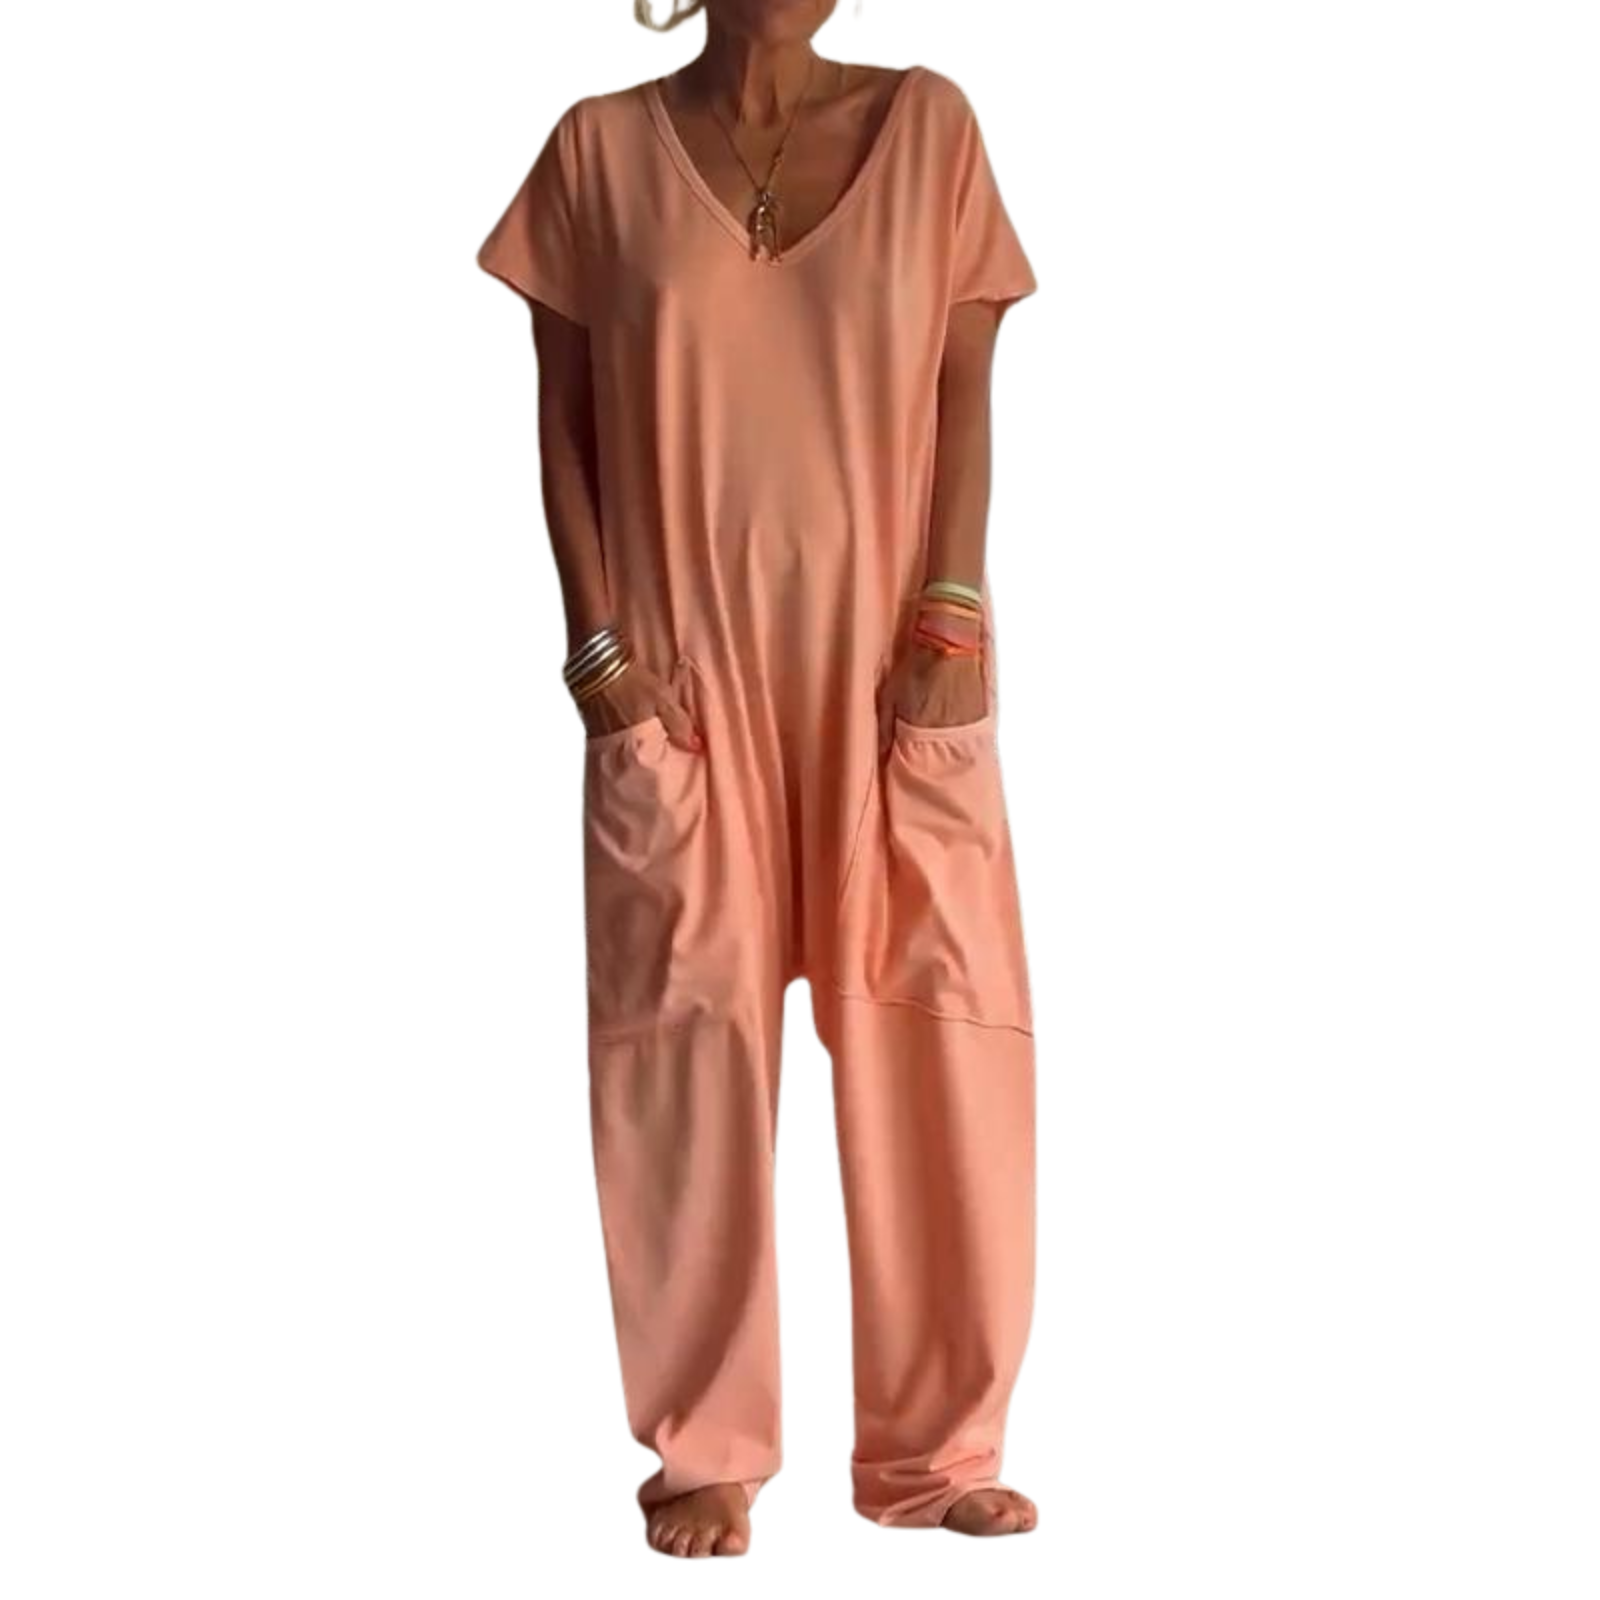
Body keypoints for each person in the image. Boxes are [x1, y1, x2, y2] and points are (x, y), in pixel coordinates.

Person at [478, 0, 1041, 1557]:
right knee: (682, 1047)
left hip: (893, 663)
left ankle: (937, 1449)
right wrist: (598, 651)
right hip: (680, 674)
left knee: (938, 1030)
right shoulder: (596, 154)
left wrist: (954, 611)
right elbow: (565, 426)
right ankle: (705, 1449)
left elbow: (965, 387)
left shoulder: (930, 127)